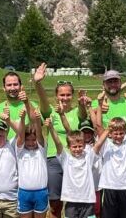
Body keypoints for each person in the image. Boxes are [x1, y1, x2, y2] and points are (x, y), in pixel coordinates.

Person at [34, 62, 87, 218]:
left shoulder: (78, 111)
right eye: (61, 95)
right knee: (55, 204)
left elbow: (84, 114)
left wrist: (82, 103)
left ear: (72, 95)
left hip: (75, 159)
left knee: (75, 201)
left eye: (68, 94)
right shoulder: (51, 112)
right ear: (56, 96)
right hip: (53, 160)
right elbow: (43, 99)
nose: (65, 98)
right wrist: (37, 83)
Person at [94, 114, 126, 218]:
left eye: (121, 133)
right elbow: (98, 126)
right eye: (115, 133)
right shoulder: (106, 145)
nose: (118, 136)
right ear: (110, 134)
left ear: (125, 133)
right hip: (110, 187)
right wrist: (100, 105)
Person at [50, 120, 98, 218]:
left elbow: (98, 144)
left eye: (80, 146)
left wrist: (107, 130)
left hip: (87, 201)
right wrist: (51, 128)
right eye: (74, 147)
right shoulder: (65, 158)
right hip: (71, 201)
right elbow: (58, 143)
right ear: (69, 147)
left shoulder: (88, 157)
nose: (77, 149)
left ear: (84, 146)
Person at [13, 100, 49, 218]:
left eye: (33, 140)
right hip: (24, 193)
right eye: (28, 140)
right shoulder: (20, 151)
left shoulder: (41, 150)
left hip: (41, 192)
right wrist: (22, 119)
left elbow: (39, 136)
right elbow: (21, 136)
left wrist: (38, 121)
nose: (30, 143)